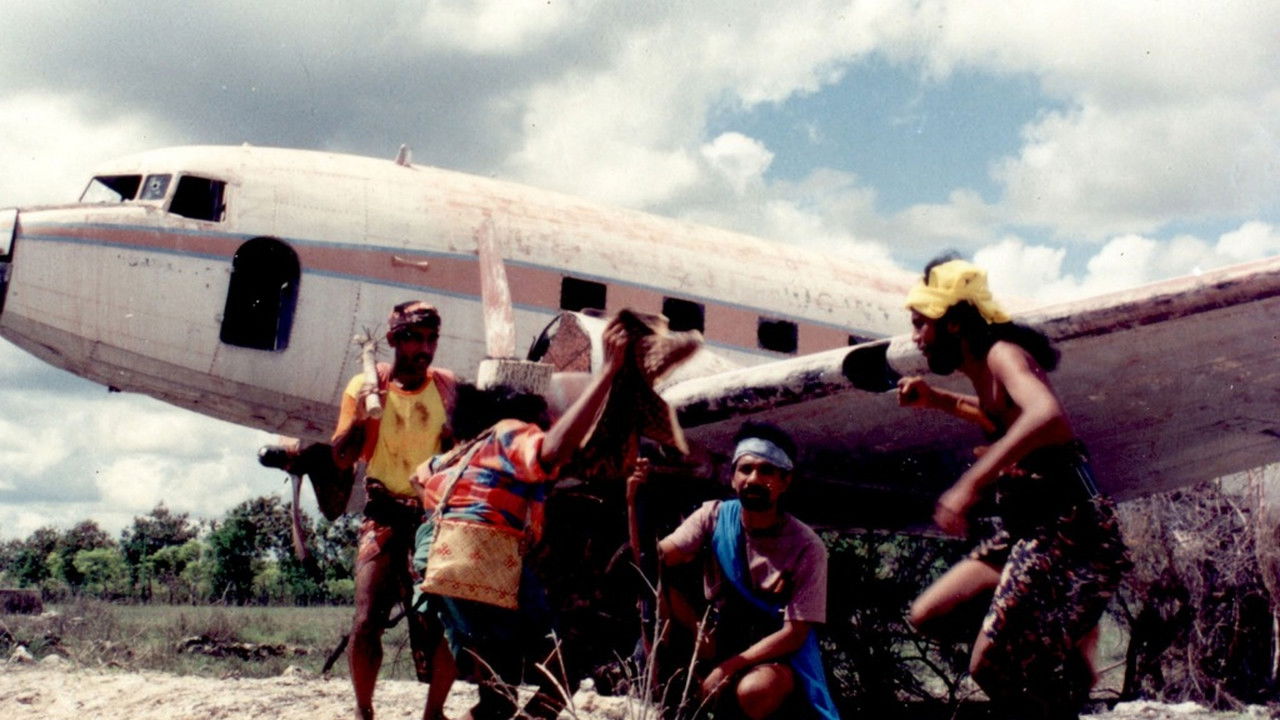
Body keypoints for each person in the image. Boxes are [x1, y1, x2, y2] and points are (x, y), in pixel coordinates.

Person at [897, 256, 1129, 719]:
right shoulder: (981, 366)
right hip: (1028, 528)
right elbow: (1002, 417)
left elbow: (1045, 414)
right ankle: (1060, 642)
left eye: (923, 325)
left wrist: (969, 485)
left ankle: (1059, 649)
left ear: (956, 325)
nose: (917, 338)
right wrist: (938, 400)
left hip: (1070, 530)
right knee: (929, 615)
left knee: (991, 667)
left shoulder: (1003, 354)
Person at [411, 317, 630, 720]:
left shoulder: (466, 448)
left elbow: (420, 476)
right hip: (486, 569)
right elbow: (552, 450)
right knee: (567, 655)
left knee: (499, 691)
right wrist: (608, 376)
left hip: (451, 573)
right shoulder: (512, 431)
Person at [634, 421, 840, 720]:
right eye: (745, 469)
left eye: (767, 471)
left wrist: (728, 667)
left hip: (773, 655)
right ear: (732, 478)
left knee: (755, 690)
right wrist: (635, 499)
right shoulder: (714, 517)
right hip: (716, 639)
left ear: (785, 481)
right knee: (649, 651)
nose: (754, 479)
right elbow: (655, 561)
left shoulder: (807, 546)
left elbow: (794, 633)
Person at [331, 300, 457, 720]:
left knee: (444, 621)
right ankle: (364, 711)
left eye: (431, 339)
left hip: (432, 517)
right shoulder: (366, 386)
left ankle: (433, 713)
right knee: (367, 619)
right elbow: (342, 457)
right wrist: (366, 407)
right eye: (415, 339)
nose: (425, 348)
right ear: (393, 341)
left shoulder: (447, 388)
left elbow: (462, 453)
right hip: (383, 512)